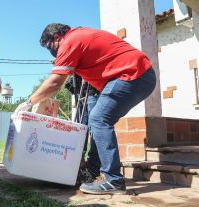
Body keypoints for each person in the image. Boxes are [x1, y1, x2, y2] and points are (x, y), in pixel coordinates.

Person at [13, 23, 156, 194]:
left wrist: (29, 102)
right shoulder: (79, 36)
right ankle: (92, 172)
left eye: (50, 47)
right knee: (98, 121)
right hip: (138, 75)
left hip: (132, 74)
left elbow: (54, 82)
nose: (51, 52)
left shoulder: (70, 41)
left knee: (99, 119)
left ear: (57, 37)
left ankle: (114, 180)